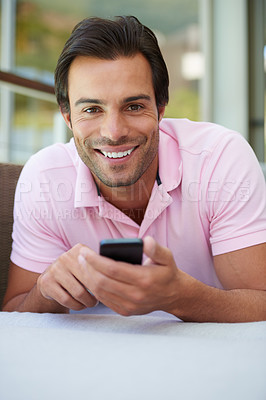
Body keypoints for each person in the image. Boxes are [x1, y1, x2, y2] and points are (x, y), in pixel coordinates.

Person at [2, 16, 266, 321]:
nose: (114, 132)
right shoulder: (44, 178)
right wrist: (45, 292)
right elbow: (12, 316)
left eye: (134, 106)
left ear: (161, 108)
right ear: (67, 116)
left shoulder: (220, 158)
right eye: (91, 109)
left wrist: (181, 297)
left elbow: (261, 302)